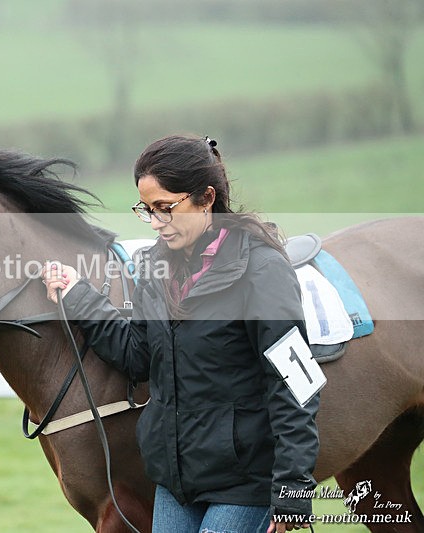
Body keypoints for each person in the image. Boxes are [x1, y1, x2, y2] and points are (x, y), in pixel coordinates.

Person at [42, 135, 320, 533]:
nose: (156, 223)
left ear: (206, 198)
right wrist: (79, 295)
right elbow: (138, 355)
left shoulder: (262, 270)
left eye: (165, 208)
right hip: (175, 482)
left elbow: (296, 385)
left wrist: (292, 489)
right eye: (147, 210)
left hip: (245, 483)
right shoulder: (155, 267)